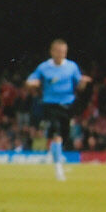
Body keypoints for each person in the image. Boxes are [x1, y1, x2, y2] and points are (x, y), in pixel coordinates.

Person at [25, 39, 91, 181]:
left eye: (64, 52)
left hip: (68, 105)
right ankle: (58, 169)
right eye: (59, 51)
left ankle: (55, 153)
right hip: (50, 104)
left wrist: (83, 83)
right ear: (52, 52)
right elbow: (31, 80)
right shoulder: (44, 67)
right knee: (56, 133)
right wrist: (32, 83)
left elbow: (79, 87)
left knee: (64, 135)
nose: (62, 54)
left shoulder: (72, 67)